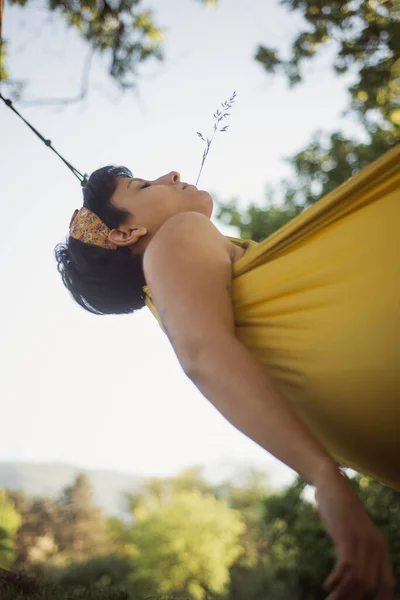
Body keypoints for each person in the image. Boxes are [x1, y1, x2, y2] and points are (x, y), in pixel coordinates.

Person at [56, 155, 399, 600]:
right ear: (126, 233)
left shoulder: (172, 283)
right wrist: (327, 480)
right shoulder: (177, 235)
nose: (173, 174)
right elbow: (202, 353)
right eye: (142, 187)